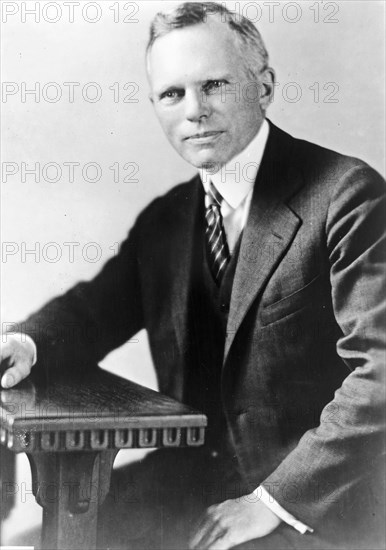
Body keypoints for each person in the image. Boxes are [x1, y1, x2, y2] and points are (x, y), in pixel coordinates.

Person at [1, 3, 385, 549]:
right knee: (33, 543)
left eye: (216, 84)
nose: (195, 111)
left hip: (321, 505)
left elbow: (381, 373)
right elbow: (92, 312)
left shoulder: (347, 195)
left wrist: (272, 502)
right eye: (172, 94)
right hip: (190, 484)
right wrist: (27, 342)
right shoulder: (167, 220)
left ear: (265, 86)